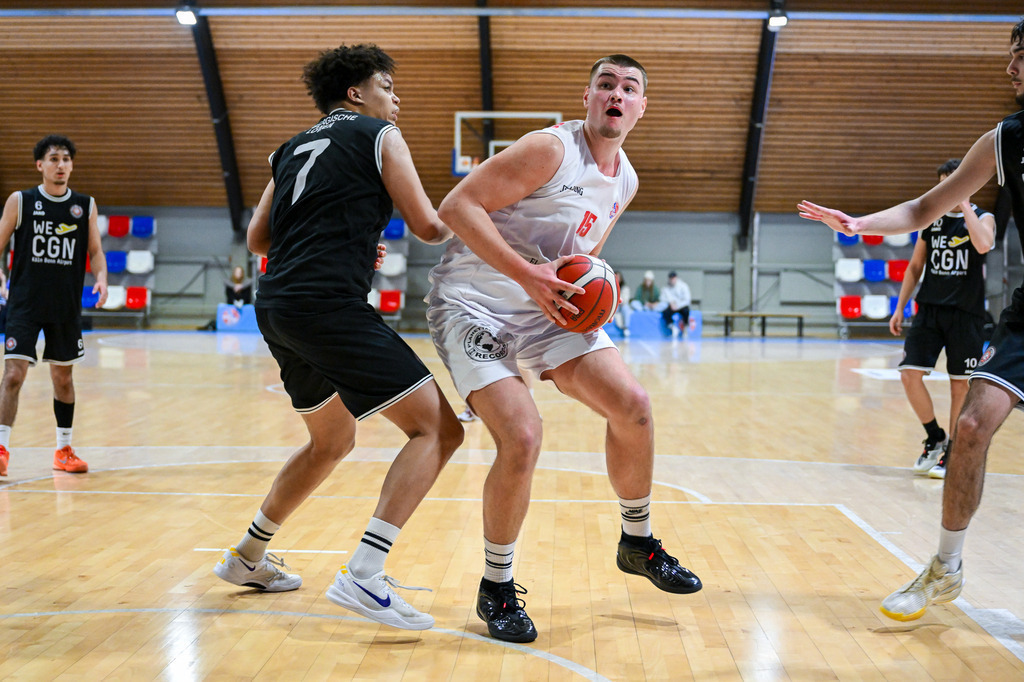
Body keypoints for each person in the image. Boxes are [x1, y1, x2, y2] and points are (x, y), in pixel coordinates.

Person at [427, 54, 701, 644]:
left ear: (641, 108)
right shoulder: (550, 149)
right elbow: (456, 208)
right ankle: (496, 587)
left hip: (547, 309)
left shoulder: (625, 179)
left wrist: (586, 292)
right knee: (522, 436)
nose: (617, 95)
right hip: (474, 302)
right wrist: (530, 277)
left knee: (634, 407)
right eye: (607, 85)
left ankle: (637, 541)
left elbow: (583, 256)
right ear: (588, 96)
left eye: (630, 89)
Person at [212, 44, 463, 631]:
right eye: (386, 86)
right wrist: (482, 207)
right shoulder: (380, 136)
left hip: (276, 306)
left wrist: (342, 237)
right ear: (357, 92)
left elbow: (257, 239)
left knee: (331, 442)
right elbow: (428, 226)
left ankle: (248, 556)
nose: (395, 99)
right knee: (438, 429)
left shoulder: (288, 148)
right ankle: (364, 574)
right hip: (327, 304)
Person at [797, 17, 1024, 622]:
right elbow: (926, 207)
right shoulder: (1006, 138)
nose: (1011, 67)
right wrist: (859, 223)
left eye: (1020, 54)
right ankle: (945, 567)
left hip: (970, 308)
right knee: (971, 425)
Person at [0, 135, 108, 477]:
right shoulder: (22, 201)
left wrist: (102, 278)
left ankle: (63, 450)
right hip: (24, 304)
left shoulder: (84, 206)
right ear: (40, 165)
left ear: (72, 165)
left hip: (64, 306)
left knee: (63, 378)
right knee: (13, 375)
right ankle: (1, 448)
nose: (61, 165)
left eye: (66, 159)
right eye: (54, 159)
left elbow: (94, 251)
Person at [890, 159, 995, 479]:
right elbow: (914, 268)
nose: (945, 190)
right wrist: (899, 307)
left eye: (953, 184)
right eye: (943, 185)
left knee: (959, 385)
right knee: (909, 374)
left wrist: (964, 206)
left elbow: (984, 244)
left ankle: (952, 451)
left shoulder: (982, 217)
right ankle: (934, 436)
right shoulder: (931, 222)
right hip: (930, 310)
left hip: (966, 314)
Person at [660, 270, 691, 337]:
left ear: (676, 278)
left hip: (681, 305)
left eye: (673, 278)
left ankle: (685, 328)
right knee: (665, 313)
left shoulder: (683, 286)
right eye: (670, 278)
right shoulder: (666, 288)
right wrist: (671, 303)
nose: (672, 280)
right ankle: (673, 328)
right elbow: (662, 298)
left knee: (686, 311)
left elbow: (687, 300)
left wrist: (678, 305)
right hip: (671, 305)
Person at [613, 270, 631, 336]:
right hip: (614, 305)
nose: (617, 279)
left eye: (618, 277)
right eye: (615, 277)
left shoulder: (625, 288)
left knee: (626, 309)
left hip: (622, 305)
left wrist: (620, 301)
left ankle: (626, 328)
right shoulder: (610, 286)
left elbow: (625, 300)